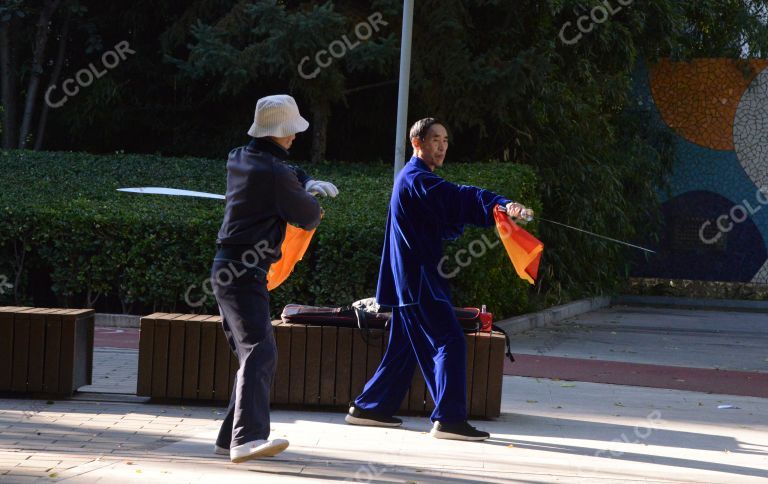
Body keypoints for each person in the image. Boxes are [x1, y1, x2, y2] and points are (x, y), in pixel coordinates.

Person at [345, 118, 532, 441]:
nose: (442, 146)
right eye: (435, 140)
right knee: (450, 339)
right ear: (417, 143)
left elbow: (443, 214)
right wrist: (500, 205)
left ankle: (371, 407)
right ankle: (449, 419)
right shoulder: (416, 178)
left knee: (404, 346)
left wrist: (498, 209)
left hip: (412, 278)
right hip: (418, 279)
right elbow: (459, 198)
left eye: (445, 140)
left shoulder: (416, 179)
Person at [212, 94, 339, 463]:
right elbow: (310, 216)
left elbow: (285, 172)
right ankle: (247, 439)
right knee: (259, 351)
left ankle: (228, 438)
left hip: (226, 268)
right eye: (290, 131)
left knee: (251, 354)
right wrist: (307, 192)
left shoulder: (239, 156)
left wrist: (305, 179)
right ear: (278, 133)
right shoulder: (273, 173)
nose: (295, 137)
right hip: (244, 273)